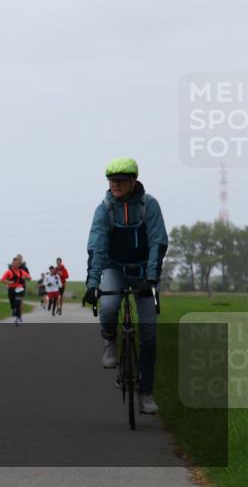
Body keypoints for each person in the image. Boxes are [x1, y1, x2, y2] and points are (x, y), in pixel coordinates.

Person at [83, 158, 167, 415]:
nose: (115, 184)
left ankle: (146, 394)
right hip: (114, 268)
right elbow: (97, 246)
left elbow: (158, 242)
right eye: (111, 180)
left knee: (149, 335)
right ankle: (110, 339)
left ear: (133, 181)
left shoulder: (148, 205)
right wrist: (93, 283)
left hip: (143, 272)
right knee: (108, 306)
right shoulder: (104, 209)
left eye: (120, 180)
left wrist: (152, 278)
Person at [0, 255, 31, 325]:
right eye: (14, 263)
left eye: (17, 263)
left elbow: (29, 278)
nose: (15, 264)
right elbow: (2, 280)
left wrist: (25, 277)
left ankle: (18, 318)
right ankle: (14, 311)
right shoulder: (9, 271)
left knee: (18, 303)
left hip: (20, 288)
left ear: (19, 263)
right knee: (13, 305)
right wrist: (9, 282)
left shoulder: (23, 270)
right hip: (11, 289)